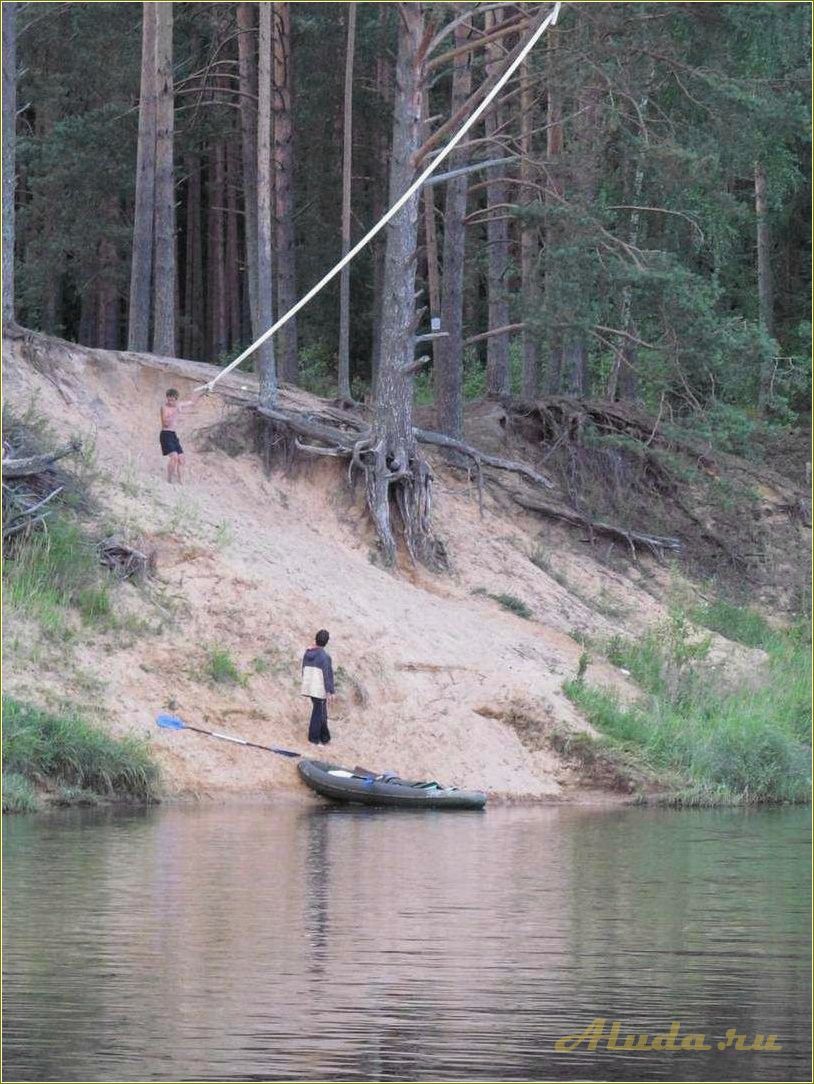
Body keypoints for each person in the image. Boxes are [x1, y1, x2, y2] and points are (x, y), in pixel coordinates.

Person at [159, 388, 201, 484]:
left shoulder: (178, 404)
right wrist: (175, 412)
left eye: (172, 400)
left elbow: (192, 402)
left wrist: (202, 392)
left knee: (182, 459)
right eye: (168, 399)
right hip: (165, 434)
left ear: (176, 399)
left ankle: (180, 480)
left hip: (173, 435)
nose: (170, 402)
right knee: (174, 457)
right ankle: (169, 480)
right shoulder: (164, 408)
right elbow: (165, 423)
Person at [301, 629, 334, 745]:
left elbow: (304, 670)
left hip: (309, 687)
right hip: (319, 689)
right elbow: (327, 675)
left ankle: (325, 737)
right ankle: (313, 739)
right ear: (326, 642)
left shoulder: (308, 653)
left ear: (316, 639)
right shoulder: (325, 657)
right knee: (318, 713)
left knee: (321, 712)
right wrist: (330, 691)